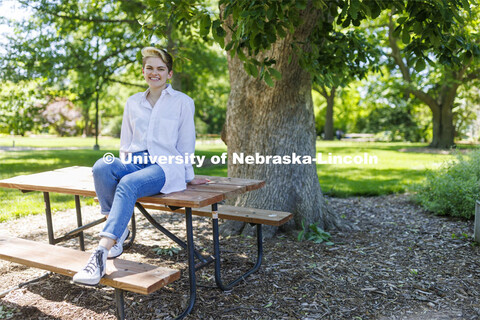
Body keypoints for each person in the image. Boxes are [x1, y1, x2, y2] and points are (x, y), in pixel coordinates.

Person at [73, 47, 207, 286]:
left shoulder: (182, 102)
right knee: (102, 166)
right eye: (149, 68)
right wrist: (121, 164)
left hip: (165, 166)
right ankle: (118, 230)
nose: (154, 73)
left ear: (169, 73)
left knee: (128, 184)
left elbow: (187, 141)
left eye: (160, 69)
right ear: (143, 71)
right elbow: (126, 141)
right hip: (135, 162)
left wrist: (188, 175)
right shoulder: (133, 102)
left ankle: (101, 252)